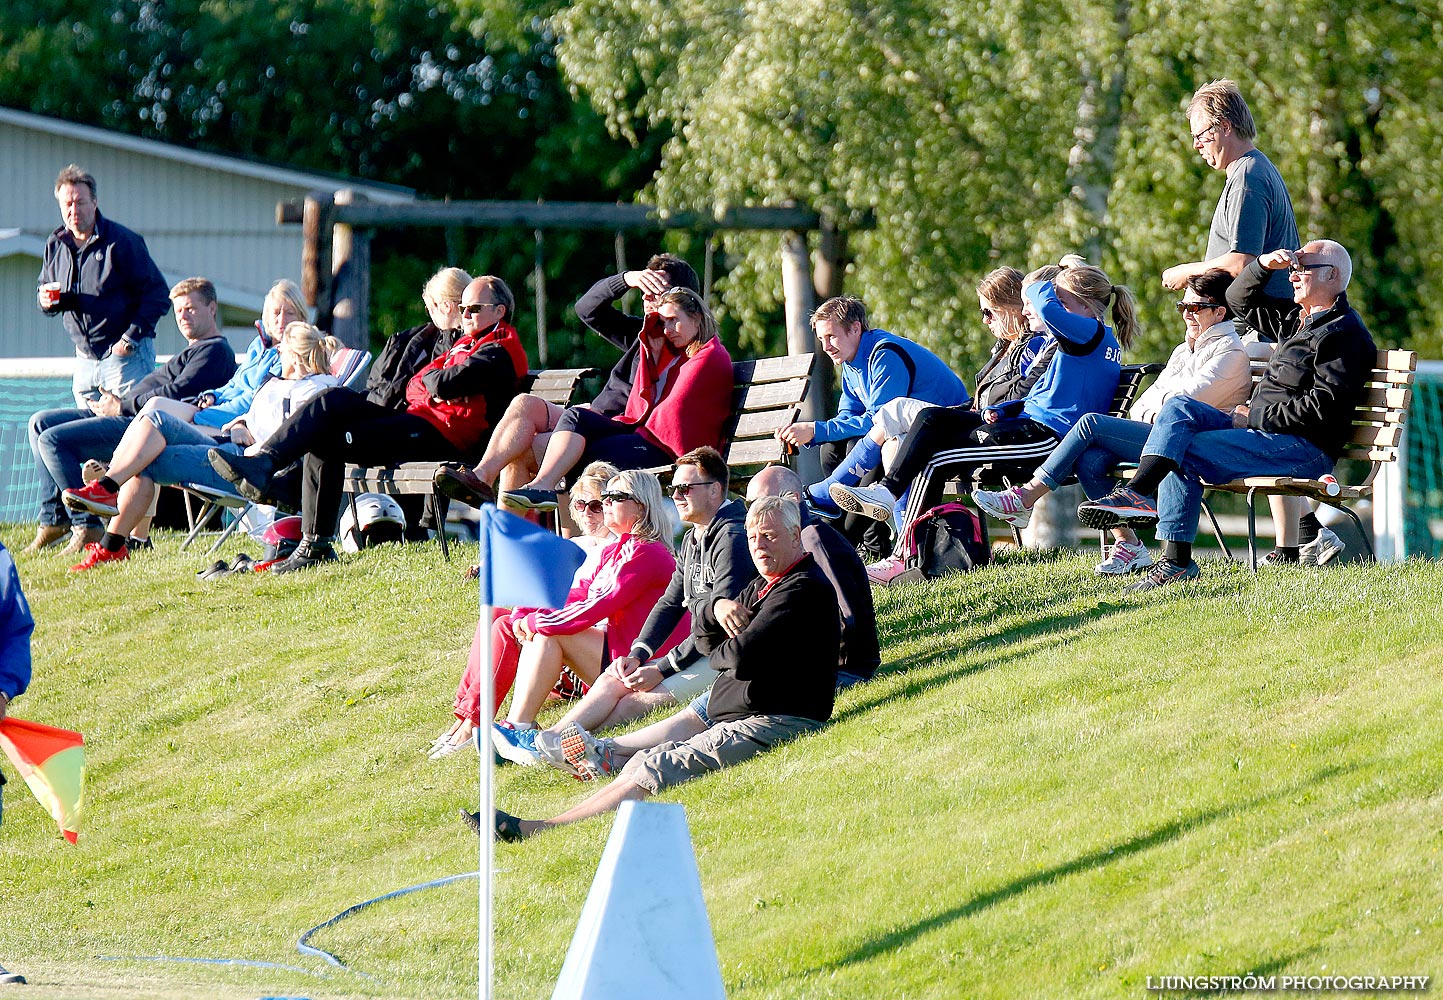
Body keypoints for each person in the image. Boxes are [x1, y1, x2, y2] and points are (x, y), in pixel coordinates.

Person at [481, 496, 839, 841]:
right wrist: (716, 614)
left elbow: (736, 657)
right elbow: (705, 635)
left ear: (795, 536)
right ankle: (591, 761)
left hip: (774, 718)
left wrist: (718, 645)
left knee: (658, 766)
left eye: (770, 536)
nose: (758, 546)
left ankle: (542, 828)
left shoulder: (801, 589)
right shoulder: (764, 584)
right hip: (739, 706)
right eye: (753, 537)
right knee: (646, 756)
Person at [1077, 240, 1376, 590]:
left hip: (1300, 449)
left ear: (1333, 276)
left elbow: (1319, 411)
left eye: (1302, 268)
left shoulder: (1344, 336)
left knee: (1183, 446)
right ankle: (1140, 495)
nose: (1293, 274)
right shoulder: (1298, 319)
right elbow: (1237, 299)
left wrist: (1252, 418)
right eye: (1293, 267)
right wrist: (1263, 264)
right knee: (1179, 409)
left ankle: (1174, 559)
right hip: (1263, 433)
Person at [834, 257, 1138, 584]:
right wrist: (1005, 411)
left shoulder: (1089, 332)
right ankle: (888, 492)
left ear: (1087, 307)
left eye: (1062, 299)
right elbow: (1045, 396)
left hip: (1043, 439)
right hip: (1025, 426)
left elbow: (1046, 310)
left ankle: (904, 558)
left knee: (936, 459)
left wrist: (1056, 276)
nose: (1031, 308)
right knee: (931, 418)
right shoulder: (1082, 338)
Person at [208, 275, 528, 571]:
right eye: (462, 308)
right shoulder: (465, 345)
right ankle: (270, 468)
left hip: (444, 437)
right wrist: (431, 383)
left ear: (499, 311)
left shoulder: (500, 348)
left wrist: (431, 383)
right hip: (419, 420)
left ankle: (294, 507)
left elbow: (443, 384)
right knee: (333, 399)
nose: (465, 314)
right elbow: (416, 383)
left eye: (473, 308)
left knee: (330, 434)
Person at [973, 268, 1251, 574]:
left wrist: (1041, 287)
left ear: (1219, 311)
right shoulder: (1185, 350)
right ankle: (1129, 546)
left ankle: (1025, 497)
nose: (1185, 314)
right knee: (1091, 459)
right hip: (1164, 436)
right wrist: (1155, 411)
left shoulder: (1230, 353)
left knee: (1091, 424)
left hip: (1193, 443)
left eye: (1193, 308)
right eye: (1181, 307)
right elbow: (1149, 403)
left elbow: (1182, 408)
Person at [509, 448, 752, 767]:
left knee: (630, 703)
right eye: (673, 489)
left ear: (715, 489)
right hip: (671, 653)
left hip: (715, 656)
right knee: (614, 679)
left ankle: (551, 744)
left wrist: (663, 666)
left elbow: (713, 629)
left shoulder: (726, 538)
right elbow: (669, 604)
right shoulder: (692, 539)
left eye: (685, 488)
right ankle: (545, 741)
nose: (677, 496)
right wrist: (638, 654)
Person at [60, 322, 341, 571]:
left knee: (145, 460)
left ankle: (111, 523)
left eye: (280, 352)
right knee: (155, 415)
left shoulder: (316, 393)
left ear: (293, 354)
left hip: (245, 468)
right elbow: (251, 417)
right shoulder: (279, 383)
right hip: (231, 445)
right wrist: (241, 424)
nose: (276, 357)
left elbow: (291, 437)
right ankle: (109, 494)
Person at [434, 254, 702, 506]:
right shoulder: (639, 332)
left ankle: (508, 540)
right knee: (525, 404)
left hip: (617, 427)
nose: (646, 294)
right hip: (598, 417)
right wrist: (627, 279)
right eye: (645, 285)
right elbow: (587, 309)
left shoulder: (681, 343)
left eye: (655, 287)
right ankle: (481, 477)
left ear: (680, 297)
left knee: (525, 450)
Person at [803, 271, 1048, 525]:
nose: (985, 321)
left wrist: (816, 430)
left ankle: (831, 492)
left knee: (894, 411)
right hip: (970, 418)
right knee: (890, 444)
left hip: (987, 426)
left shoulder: (1032, 347)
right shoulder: (1006, 348)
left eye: (988, 312)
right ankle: (905, 544)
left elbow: (1018, 394)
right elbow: (848, 413)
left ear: (1011, 308)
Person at [25, 277, 237, 555]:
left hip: (143, 426)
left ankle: (87, 522)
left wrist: (122, 406)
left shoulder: (215, 352)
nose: (183, 316)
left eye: (190, 308)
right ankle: (54, 520)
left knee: (53, 441)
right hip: (126, 413)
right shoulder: (194, 350)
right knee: (40, 423)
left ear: (212, 309)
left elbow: (176, 393)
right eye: (178, 311)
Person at [488, 470, 687, 763]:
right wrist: (527, 612)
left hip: (648, 661)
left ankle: (520, 731)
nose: (606, 502)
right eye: (605, 496)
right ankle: (519, 729)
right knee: (542, 633)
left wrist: (532, 623)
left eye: (616, 497)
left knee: (547, 634)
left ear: (641, 506)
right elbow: (576, 596)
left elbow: (596, 606)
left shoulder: (647, 553)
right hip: (619, 653)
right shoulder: (617, 550)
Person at [429, 461, 620, 759]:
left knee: (506, 627)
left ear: (611, 507)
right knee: (494, 615)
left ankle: (474, 723)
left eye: (596, 506)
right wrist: (524, 614)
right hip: (561, 637)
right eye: (580, 504)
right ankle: (463, 719)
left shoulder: (617, 548)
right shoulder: (576, 544)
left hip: (586, 652)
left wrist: (530, 618)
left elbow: (585, 606)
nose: (587, 513)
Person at [499, 287, 734, 512]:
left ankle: (560, 515)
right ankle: (543, 486)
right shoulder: (677, 355)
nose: (667, 329)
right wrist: (652, 350)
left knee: (582, 453)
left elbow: (673, 408)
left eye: (674, 320)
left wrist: (656, 353)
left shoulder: (711, 355)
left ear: (697, 319)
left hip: (663, 448)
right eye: (662, 323)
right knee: (576, 416)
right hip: (644, 435)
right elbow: (646, 396)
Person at [778, 295, 968, 554]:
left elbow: (879, 419)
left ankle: (841, 544)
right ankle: (869, 544)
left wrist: (816, 430)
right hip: (905, 434)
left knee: (863, 447)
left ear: (855, 328)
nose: (826, 346)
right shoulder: (850, 362)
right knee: (831, 448)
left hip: (944, 432)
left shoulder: (884, 355)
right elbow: (847, 418)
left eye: (831, 336)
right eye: (822, 339)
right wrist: (817, 432)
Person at [1161, 80, 1300, 343]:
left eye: (1200, 135)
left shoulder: (1247, 178)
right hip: (1255, 330)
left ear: (1225, 127)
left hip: (1254, 334)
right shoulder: (1254, 169)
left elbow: (1242, 264)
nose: (1196, 146)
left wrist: (1187, 271)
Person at [37, 164, 169, 407]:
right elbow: (48, 289)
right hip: (84, 359)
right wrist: (46, 301)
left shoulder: (122, 242)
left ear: (95, 202)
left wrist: (129, 340)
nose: (73, 209)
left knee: (130, 434)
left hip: (126, 359)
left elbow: (159, 294)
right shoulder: (55, 245)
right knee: (87, 438)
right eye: (67, 203)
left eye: (80, 202)